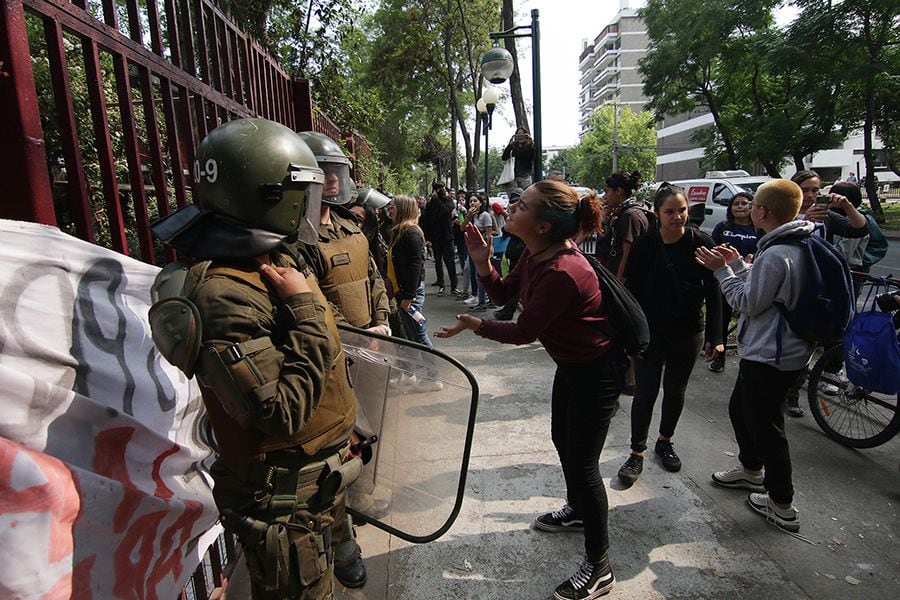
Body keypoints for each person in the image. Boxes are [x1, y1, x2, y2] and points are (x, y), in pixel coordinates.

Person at [149, 118, 358, 599]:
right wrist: (305, 307)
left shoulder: (262, 265)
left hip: (315, 482)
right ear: (268, 196)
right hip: (284, 501)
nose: (313, 208)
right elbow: (280, 414)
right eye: (303, 195)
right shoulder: (224, 295)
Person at [436, 180, 623, 600]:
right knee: (563, 442)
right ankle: (577, 510)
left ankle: (600, 565)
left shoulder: (563, 270)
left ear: (541, 225)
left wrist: (476, 324)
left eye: (521, 205)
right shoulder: (538, 255)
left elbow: (523, 331)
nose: (511, 209)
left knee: (584, 464)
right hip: (572, 367)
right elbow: (504, 294)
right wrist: (483, 263)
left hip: (597, 373)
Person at [695, 179, 816, 533]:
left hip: (771, 353)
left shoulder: (778, 253)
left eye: (754, 206)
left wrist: (720, 271)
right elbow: (769, 290)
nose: (749, 210)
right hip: (781, 349)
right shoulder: (796, 242)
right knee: (740, 409)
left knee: (767, 428)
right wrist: (740, 265)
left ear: (762, 212)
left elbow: (747, 302)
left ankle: (781, 503)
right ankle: (751, 470)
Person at [616, 183, 723, 484]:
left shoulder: (701, 242)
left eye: (682, 210)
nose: (677, 217)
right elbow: (632, 293)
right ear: (657, 213)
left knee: (675, 390)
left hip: (688, 331)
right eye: (670, 212)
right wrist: (628, 334)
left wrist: (717, 337)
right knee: (646, 392)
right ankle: (636, 452)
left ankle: (665, 441)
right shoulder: (645, 245)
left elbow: (714, 291)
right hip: (651, 332)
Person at [784, 170, 868, 416]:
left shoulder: (828, 217)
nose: (810, 195)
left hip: (818, 286)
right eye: (805, 190)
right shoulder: (785, 212)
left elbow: (858, 229)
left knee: (808, 340)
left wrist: (848, 206)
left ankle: (792, 394)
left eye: (815, 190)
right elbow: (772, 239)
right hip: (791, 282)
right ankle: (780, 388)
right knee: (790, 338)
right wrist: (804, 219)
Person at [708, 192, 759, 373]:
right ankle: (718, 356)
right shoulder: (722, 227)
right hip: (725, 276)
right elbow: (712, 248)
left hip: (751, 277)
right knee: (722, 318)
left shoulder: (757, 229)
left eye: (744, 203)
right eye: (735, 203)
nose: (739, 206)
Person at [387, 195, 434, 348]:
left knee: (418, 335)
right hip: (403, 291)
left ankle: (434, 370)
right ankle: (426, 368)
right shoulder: (400, 231)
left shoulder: (411, 233)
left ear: (401, 209)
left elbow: (416, 265)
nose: (389, 210)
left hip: (409, 293)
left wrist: (409, 296)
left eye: (392, 206)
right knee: (413, 334)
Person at [420, 181, 459, 296]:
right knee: (438, 262)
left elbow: (446, 211)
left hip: (447, 237)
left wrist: (437, 200)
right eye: (438, 189)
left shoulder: (448, 201)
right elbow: (425, 219)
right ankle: (441, 284)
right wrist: (427, 237)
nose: (441, 190)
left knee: (450, 262)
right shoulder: (431, 204)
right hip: (436, 238)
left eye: (442, 188)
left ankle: (454, 286)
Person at [501, 127, 535, 194]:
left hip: (525, 175)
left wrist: (531, 142)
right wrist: (510, 145)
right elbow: (504, 157)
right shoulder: (513, 146)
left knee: (525, 194)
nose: (520, 136)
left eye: (522, 134)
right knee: (513, 196)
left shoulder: (529, 146)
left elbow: (532, 157)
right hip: (512, 176)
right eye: (518, 134)